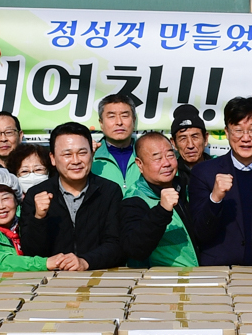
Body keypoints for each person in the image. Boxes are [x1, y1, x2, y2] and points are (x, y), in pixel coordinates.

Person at [187, 97, 252, 267]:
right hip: (219, 273)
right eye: (238, 130)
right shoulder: (204, 173)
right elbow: (200, 233)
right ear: (227, 132)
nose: (245, 138)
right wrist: (215, 199)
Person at [18, 123, 129, 270]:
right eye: (67, 154)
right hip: (50, 283)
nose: (76, 161)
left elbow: (117, 244)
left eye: (82, 153)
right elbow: (30, 252)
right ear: (52, 158)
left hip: (100, 277)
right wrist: (39, 218)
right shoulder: (36, 194)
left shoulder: (109, 191)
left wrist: (85, 262)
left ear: (92, 153)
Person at [121, 131, 199, 268]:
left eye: (170, 155)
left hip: (196, 276)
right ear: (139, 164)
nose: (166, 163)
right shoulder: (134, 199)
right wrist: (162, 211)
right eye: (157, 158)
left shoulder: (185, 186)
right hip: (162, 281)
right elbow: (134, 249)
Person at [0, 167, 62, 271]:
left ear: (16, 200)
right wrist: (44, 263)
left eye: (6, 198)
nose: (1, 206)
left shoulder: (28, 226)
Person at [89, 93, 138, 181]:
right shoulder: (90, 156)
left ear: (133, 121)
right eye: (111, 116)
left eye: (124, 116)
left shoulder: (147, 154)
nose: (119, 122)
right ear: (101, 123)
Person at [169, 104, 210, 176]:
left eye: (195, 137)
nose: (190, 145)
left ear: (205, 139)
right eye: (183, 138)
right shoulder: (169, 174)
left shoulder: (221, 167)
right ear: (174, 143)